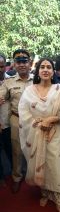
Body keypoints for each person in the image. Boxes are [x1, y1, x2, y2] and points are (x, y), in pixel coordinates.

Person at [18, 58, 60, 212]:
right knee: (41, 163)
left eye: (49, 67)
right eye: (42, 67)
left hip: (56, 134)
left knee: (56, 166)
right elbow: (24, 113)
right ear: (38, 70)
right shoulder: (29, 91)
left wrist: (52, 120)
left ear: (53, 71)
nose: (46, 70)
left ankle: (59, 202)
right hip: (36, 134)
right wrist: (39, 123)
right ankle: (46, 193)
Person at [0, 49, 33, 193]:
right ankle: (17, 178)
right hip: (16, 119)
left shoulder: (38, 79)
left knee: (35, 149)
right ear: (14, 64)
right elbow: (1, 96)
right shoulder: (8, 83)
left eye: (24, 61)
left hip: (35, 120)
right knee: (16, 151)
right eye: (18, 61)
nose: (21, 64)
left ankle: (35, 177)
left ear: (30, 62)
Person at [0, 54, 12, 187]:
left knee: (11, 150)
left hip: (9, 123)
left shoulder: (11, 80)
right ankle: (1, 176)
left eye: (2, 66)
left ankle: (15, 173)